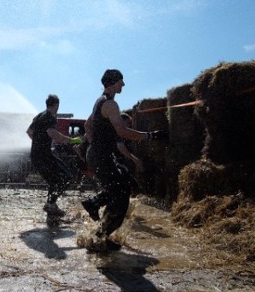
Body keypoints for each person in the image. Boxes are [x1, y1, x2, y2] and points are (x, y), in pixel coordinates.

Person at [82, 69, 166, 251]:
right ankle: (99, 237)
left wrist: (94, 142)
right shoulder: (111, 104)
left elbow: (87, 125)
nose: (123, 84)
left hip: (99, 154)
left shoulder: (100, 101)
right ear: (113, 82)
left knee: (125, 184)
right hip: (101, 156)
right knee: (121, 197)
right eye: (121, 81)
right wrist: (150, 136)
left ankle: (95, 206)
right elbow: (123, 132)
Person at [27, 94, 82, 224]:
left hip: (36, 155)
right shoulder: (51, 117)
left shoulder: (39, 116)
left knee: (54, 180)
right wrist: (71, 140)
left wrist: (39, 143)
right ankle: (51, 204)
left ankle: (51, 209)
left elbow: (29, 132)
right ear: (57, 105)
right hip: (44, 155)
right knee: (67, 177)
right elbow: (52, 133)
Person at [81, 112, 143, 221]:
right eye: (127, 123)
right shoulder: (116, 129)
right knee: (126, 187)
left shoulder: (109, 129)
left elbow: (87, 128)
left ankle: (101, 206)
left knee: (124, 187)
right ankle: (97, 204)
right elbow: (120, 146)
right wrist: (134, 159)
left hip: (109, 162)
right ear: (121, 121)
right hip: (111, 163)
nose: (127, 126)